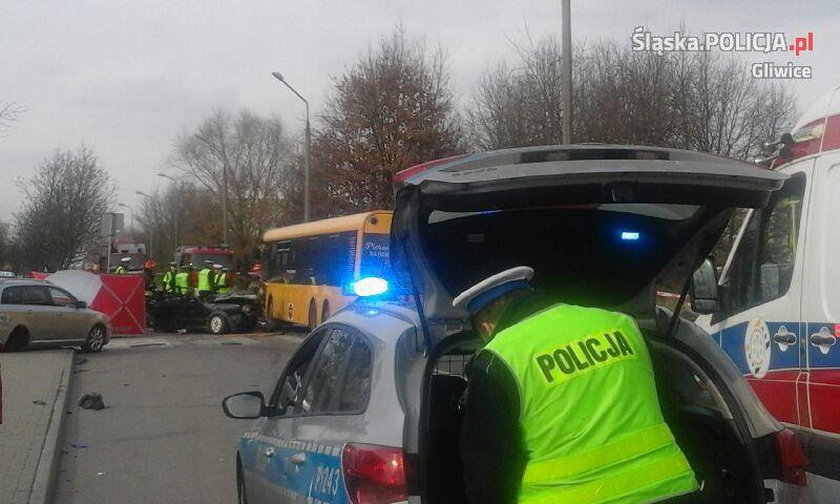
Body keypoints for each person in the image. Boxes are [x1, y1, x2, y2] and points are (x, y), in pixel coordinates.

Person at [454, 266, 698, 504]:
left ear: (485, 326)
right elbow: (671, 407)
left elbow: (488, 466)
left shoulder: (499, 357)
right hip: (670, 489)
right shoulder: (622, 325)